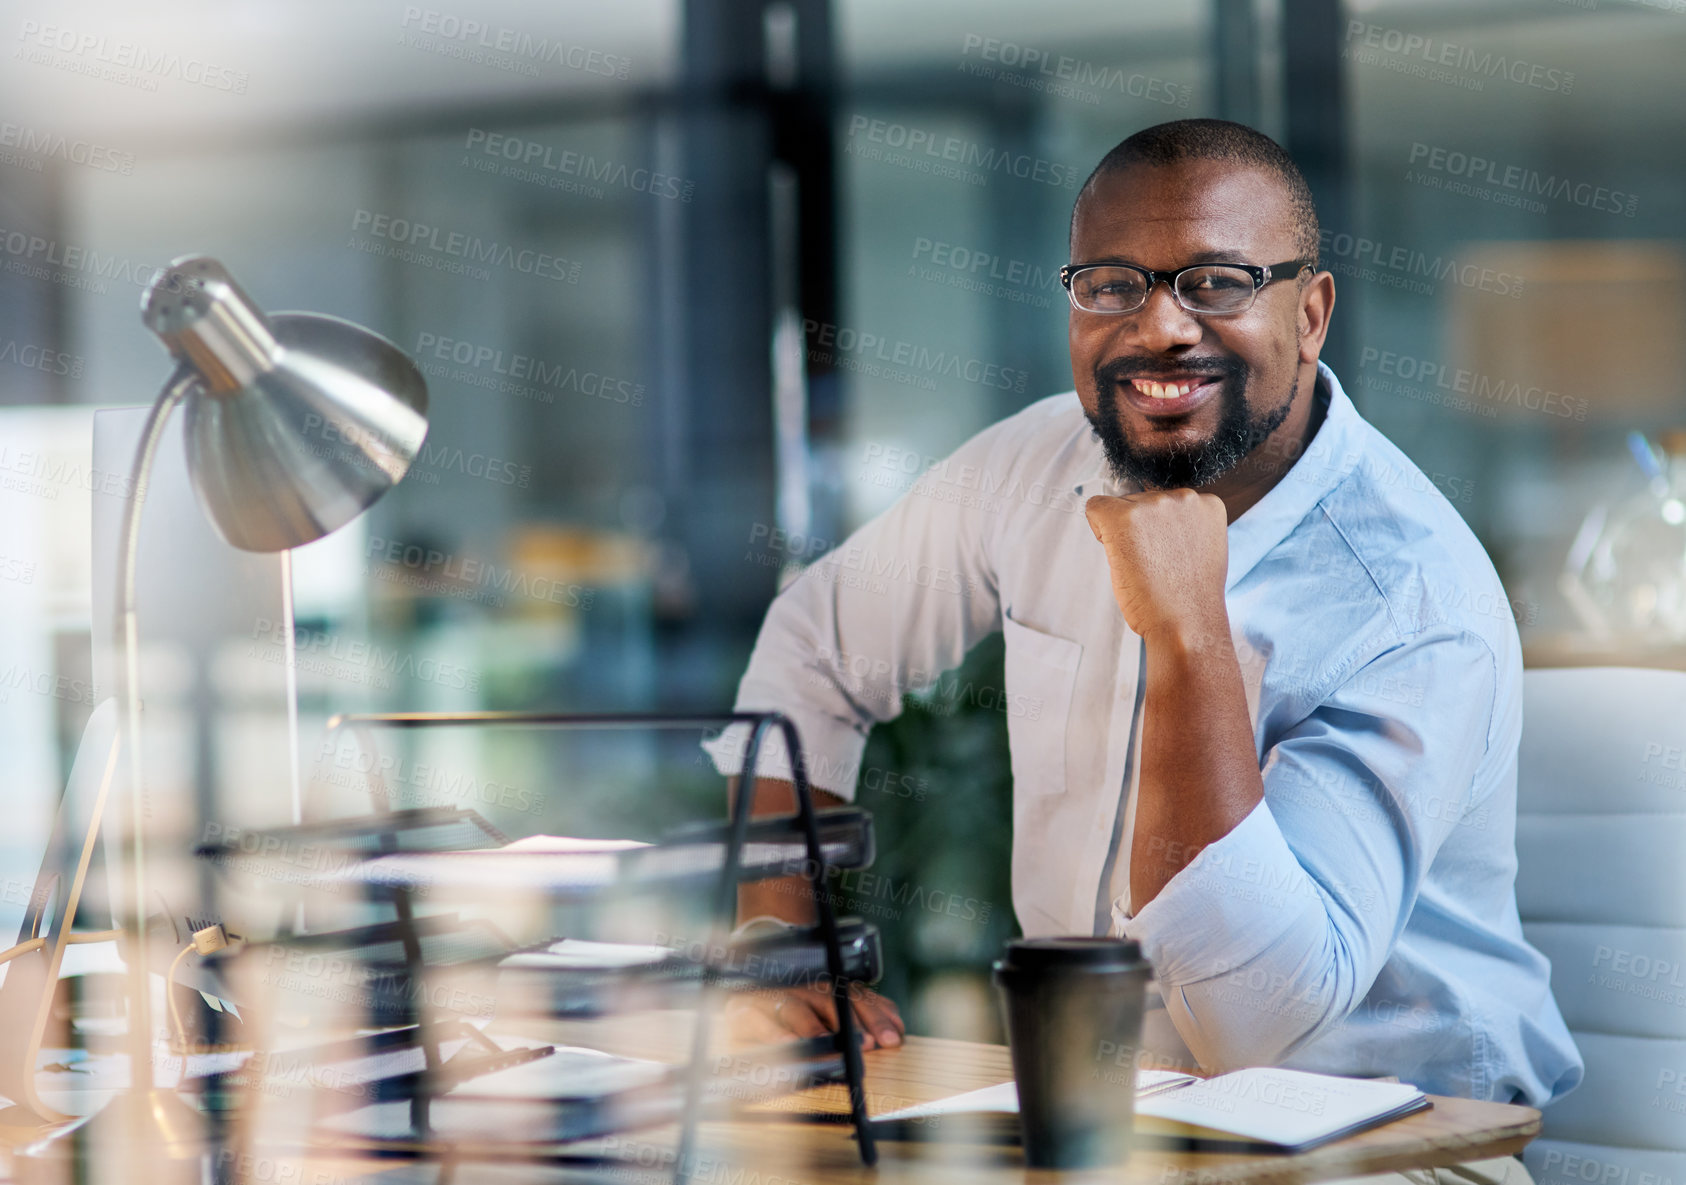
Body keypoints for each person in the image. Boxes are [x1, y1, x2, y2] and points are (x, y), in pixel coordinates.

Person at [706, 119, 1582, 1119]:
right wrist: (782, 944)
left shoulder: (1415, 595)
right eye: (1112, 285)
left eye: (1218, 282)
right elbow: (814, 647)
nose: (1161, 327)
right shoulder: (1033, 465)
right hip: (1109, 1114)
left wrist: (1189, 630)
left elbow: (1252, 1019)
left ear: (1311, 312)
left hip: (1399, 1132)